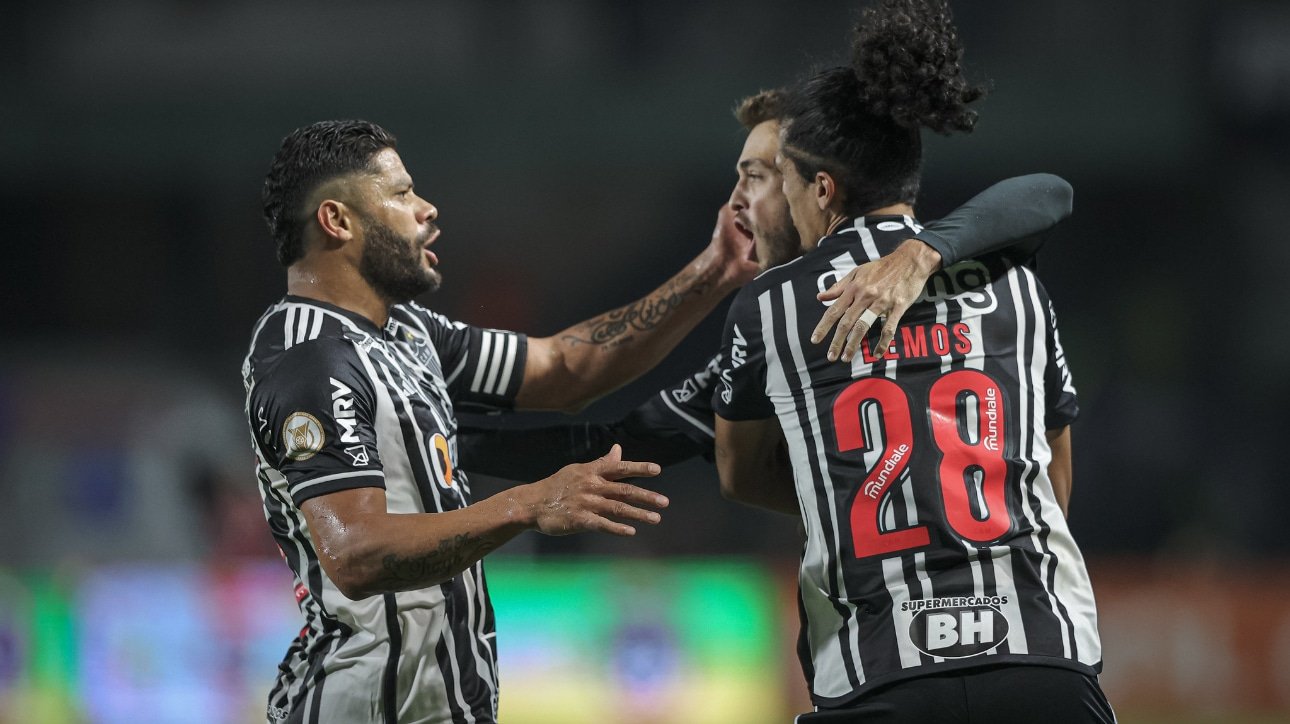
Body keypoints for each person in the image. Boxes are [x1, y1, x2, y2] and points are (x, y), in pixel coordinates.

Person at [242, 119, 760, 723]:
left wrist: (716, 269)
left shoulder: (408, 333)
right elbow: (356, 552)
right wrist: (527, 504)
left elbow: (565, 368)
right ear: (338, 220)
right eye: (402, 193)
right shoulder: (310, 354)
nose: (427, 209)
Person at [711, 2, 1115, 722]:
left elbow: (739, 474)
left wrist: (855, 491)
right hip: (1041, 660)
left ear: (823, 190)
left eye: (789, 184)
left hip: (879, 671)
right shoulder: (1016, 283)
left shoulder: (770, 307)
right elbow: (1052, 477)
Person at [459, 88, 1073, 488]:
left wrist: (921, 254)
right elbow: (614, 443)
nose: (733, 203)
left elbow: (1046, 194)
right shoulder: (778, 321)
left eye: (756, 176)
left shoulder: (796, 304)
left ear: (813, 182)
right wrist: (437, 442)